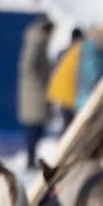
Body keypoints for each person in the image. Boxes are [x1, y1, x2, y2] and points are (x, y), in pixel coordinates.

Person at [15, 15, 54, 168]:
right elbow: (27, 66)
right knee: (33, 128)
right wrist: (39, 83)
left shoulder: (39, 42)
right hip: (34, 93)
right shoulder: (36, 42)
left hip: (35, 93)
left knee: (37, 128)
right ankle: (30, 160)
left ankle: (32, 158)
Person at [75, 20, 103, 114]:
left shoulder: (89, 47)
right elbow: (92, 72)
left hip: (84, 97)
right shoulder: (94, 50)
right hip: (88, 98)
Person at [46, 27, 84, 129]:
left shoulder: (62, 52)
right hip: (72, 93)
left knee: (66, 123)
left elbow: (53, 70)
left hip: (62, 93)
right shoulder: (79, 52)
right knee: (72, 125)